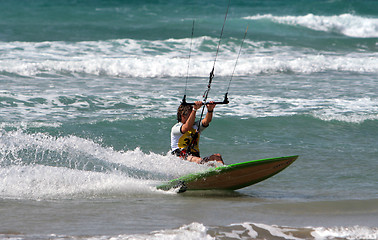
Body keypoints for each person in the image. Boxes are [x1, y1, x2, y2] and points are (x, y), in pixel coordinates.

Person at [171, 100, 224, 165]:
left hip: (195, 157)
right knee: (198, 160)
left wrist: (210, 110)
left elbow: (206, 121)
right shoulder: (176, 128)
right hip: (180, 157)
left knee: (217, 157)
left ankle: (223, 172)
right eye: (191, 114)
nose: (194, 116)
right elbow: (186, 127)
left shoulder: (196, 126)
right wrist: (195, 109)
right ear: (183, 116)